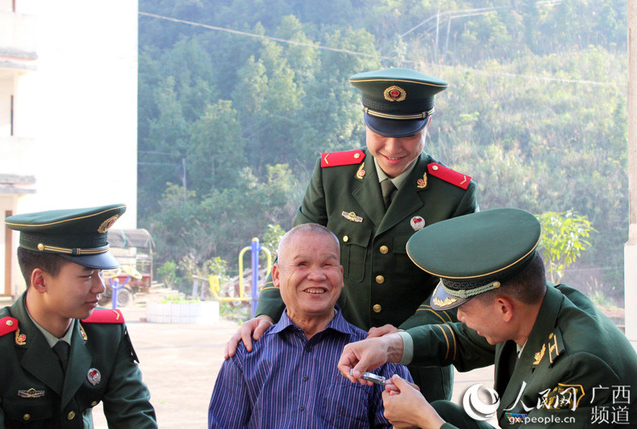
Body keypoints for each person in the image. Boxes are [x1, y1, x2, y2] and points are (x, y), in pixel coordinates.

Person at [226, 67, 478, 402]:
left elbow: (457, 285)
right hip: (335, 360)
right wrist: (264, 313)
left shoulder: (452, 194)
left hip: (415, 366)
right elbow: (291, 254)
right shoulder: (334, 177)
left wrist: (403, 337)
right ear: (365, 123)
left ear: (427, 124)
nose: (392, 147)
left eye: (407, 134)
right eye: (381, 132)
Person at [337, 208, 637, 428]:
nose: (460, 317)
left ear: (504, 308)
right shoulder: (539, 308)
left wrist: (425, 419)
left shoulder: (581, 367)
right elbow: (463, 339)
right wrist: (388, 346)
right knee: (446, 411)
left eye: (464, 308)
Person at [209, 223, 412, 428]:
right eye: (302, 264)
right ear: (277, 275)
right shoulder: (246, 355)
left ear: (341, 275)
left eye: (327, 265)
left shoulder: (378, 356)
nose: (316, 276)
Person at [0, 204, 157, 428]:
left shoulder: (107, 333)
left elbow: (133, 416)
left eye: (101, 273)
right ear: (40, 281)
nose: (100, 288)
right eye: (87, 276)